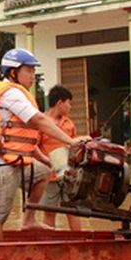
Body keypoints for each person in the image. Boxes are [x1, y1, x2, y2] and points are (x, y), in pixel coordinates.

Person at [0, 48, 89, 242]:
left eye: (33, 71)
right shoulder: (10, 94)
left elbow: (20, 138)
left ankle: (28, 220)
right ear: (13, 72)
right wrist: (70, 141)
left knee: (43, 171)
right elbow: (39, 121)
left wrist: (44, 159)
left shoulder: (18, 94)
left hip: (14, 161)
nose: (33, 76)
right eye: (28, 71)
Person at [38, 84, 82, 231]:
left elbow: (74, 147)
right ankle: (51, 246)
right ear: (60, 103)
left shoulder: (69, 124)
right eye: (69, 103)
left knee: (73, 211)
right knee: (49, 212)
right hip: (49, 176)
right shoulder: (41, 122)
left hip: (68, 175)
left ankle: (79, 243)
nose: (70, 107)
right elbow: (34, 146)